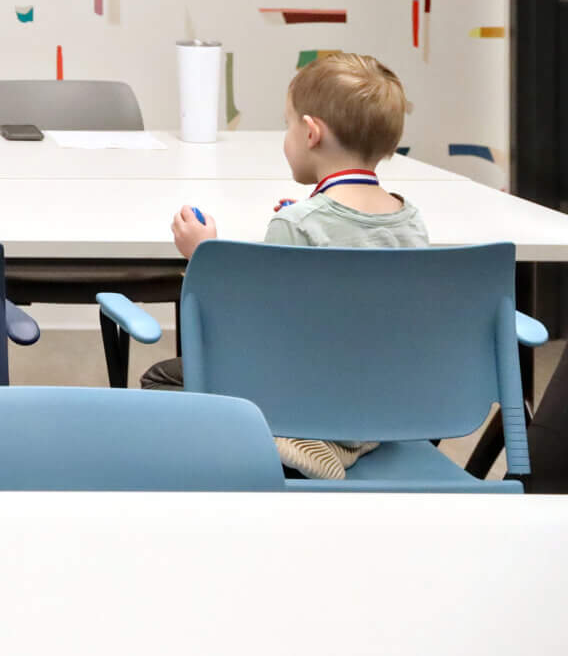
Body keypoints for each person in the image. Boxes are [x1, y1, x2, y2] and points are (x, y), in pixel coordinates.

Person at [159, 50, 426, 477]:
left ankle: (303, 442)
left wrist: (205, 255)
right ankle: (345, 438)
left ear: (310, 132)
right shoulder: (410, 221)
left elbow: (253, 330)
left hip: (305, 400)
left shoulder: (296, 225)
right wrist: (308, 211)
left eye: (287, 124)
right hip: (381, 400)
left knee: (163, 378)